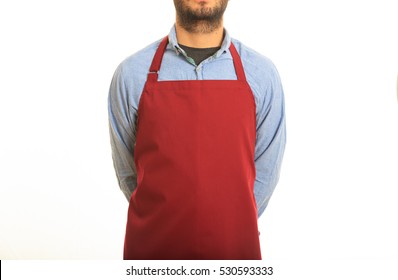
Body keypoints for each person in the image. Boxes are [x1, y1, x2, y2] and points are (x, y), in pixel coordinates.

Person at [108, 0, 286, 260]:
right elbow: (128, 173)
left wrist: (230, 224)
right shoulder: (131, 74)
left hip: (233, 254)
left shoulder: (261, 74)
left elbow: (266, 173)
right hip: (153, 255)